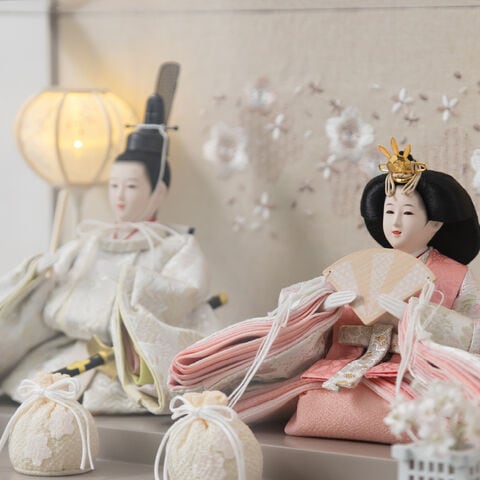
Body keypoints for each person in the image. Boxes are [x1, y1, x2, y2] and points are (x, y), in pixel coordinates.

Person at [0, 94, 221, 414]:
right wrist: (45, 271)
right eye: (114, 186)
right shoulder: (93, 240)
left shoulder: (175, 246)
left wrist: (136, 286)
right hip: (75, 348)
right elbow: (59, 279)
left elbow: (185, 291)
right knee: (35, 386)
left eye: (130, 187)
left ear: (158, 192)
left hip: (129, 358)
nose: (119, 196)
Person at [282, 137, 480, 442]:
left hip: (414, 375)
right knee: (315, 404)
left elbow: (475, 333)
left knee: (430, 416)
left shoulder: (455, 275)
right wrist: (322, 305)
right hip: (346, 366)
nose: (395, 222)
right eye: (389, 212)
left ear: (435, 224)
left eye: (408, 213)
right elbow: (290, 304)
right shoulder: (359, 268)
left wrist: (420, 316)